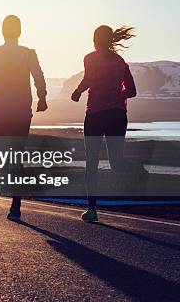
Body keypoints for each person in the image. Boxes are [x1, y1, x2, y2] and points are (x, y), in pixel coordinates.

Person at [0, 15, 47, 221]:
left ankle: (16, 202)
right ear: (20, 31)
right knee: (17, 154)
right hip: (22, 111)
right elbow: (39, 77)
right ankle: (16, 203)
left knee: (5, 156)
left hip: (1, 111)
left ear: (2, 31)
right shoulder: (28, 54)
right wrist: (42, 98)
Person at [71, 25, 139, 223]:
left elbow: (89, 79)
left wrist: (77, 92)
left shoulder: (90, 58)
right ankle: (138, 170)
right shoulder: (120, 61)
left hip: (95, 114)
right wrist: (118, 95)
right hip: (117, 115)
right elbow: (133, 91)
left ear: (94, 40)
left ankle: (91, 209)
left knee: (91, 162)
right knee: (117, 163)